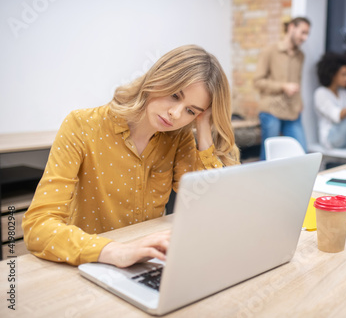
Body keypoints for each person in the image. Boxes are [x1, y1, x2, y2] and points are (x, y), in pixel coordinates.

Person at [22, 45, 240, 267]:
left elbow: (208, 207)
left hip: (147, 262)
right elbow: (38, 227)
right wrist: (116, 251)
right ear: (157, 78)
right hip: (91, 263)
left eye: (190, 111)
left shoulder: (177, 138)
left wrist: (204, 129)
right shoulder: (81, 126)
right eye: (174, 95)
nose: (175, 114)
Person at [254, 17, 310, 159]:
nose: (305, 38)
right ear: (291, 27)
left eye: (307, 34)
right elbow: (257, 82)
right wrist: (283, 86)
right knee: (269, 157)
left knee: (302, 154)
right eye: (303, 32)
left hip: (292, 111)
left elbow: (298, 81)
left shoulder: (300, 56)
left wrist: (300, 102)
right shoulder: (270, 51)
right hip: (271, 110)